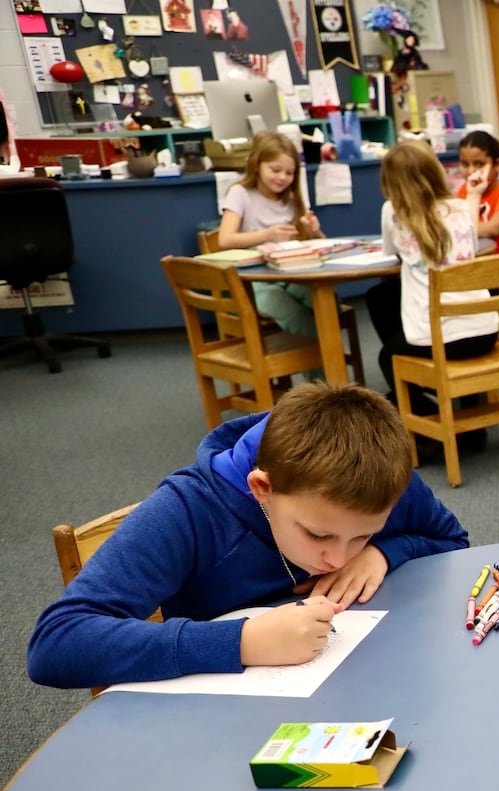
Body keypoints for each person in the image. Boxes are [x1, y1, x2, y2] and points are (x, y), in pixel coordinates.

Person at [28, 382, 468, 691]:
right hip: (226, 726)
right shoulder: (186, 511)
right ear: (263, 488)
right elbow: (56, 644)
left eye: (361, 535)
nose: (336, 558)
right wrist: (242, 641)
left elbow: (453, 542)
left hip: (358, 681)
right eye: (318, 534)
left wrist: (385, 551)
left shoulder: (381, 475)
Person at [372, 140, 499, 453]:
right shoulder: (460, 209)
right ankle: (466, 414)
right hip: (485, 332)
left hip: (439, 339)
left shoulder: (392, 212)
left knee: (387, 356)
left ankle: (433, 425)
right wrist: (472, 194)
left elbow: (391, 252)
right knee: (384, 297)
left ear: (389, 182)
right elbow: (467, 229)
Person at [216, 131, 321, 337]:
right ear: (257, 165)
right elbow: (225, 239)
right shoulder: (241, 193)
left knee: (324, 301)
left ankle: (323, 363)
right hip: (254, 281)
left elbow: (315, 246)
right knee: (291, 312)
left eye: (289, 173)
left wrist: (314, 231)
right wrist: (267, 235)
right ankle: (324, 366)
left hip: (290, 275)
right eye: (275, 170)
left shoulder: (291, 200)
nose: (282, 177)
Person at [455, 130, 499, 255]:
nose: (471, 171)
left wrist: (458, 229)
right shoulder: (464, 190)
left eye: (479, 164)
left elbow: (494, 229)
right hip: (474, 259)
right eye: (465, 164)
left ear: (497, 165)